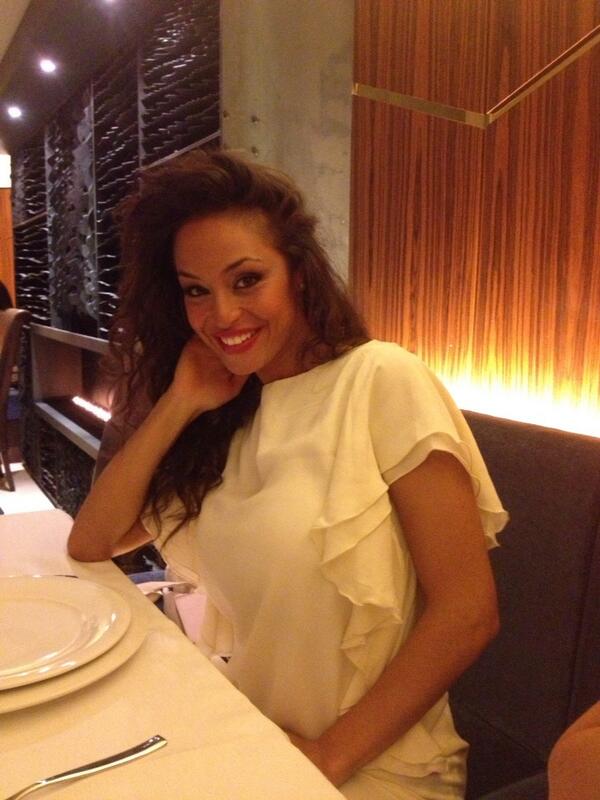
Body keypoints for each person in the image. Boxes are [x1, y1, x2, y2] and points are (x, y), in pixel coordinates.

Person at [68, 149, 508, 800]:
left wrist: (325, 759)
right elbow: (93, 541)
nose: (222, 315)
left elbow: (468, 612)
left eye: (246, 280)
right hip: (256, 742)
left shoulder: (380, 380)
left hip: (369, 767)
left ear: (298, 273)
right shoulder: (231, 418)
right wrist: (180, 401)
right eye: (196, 290)